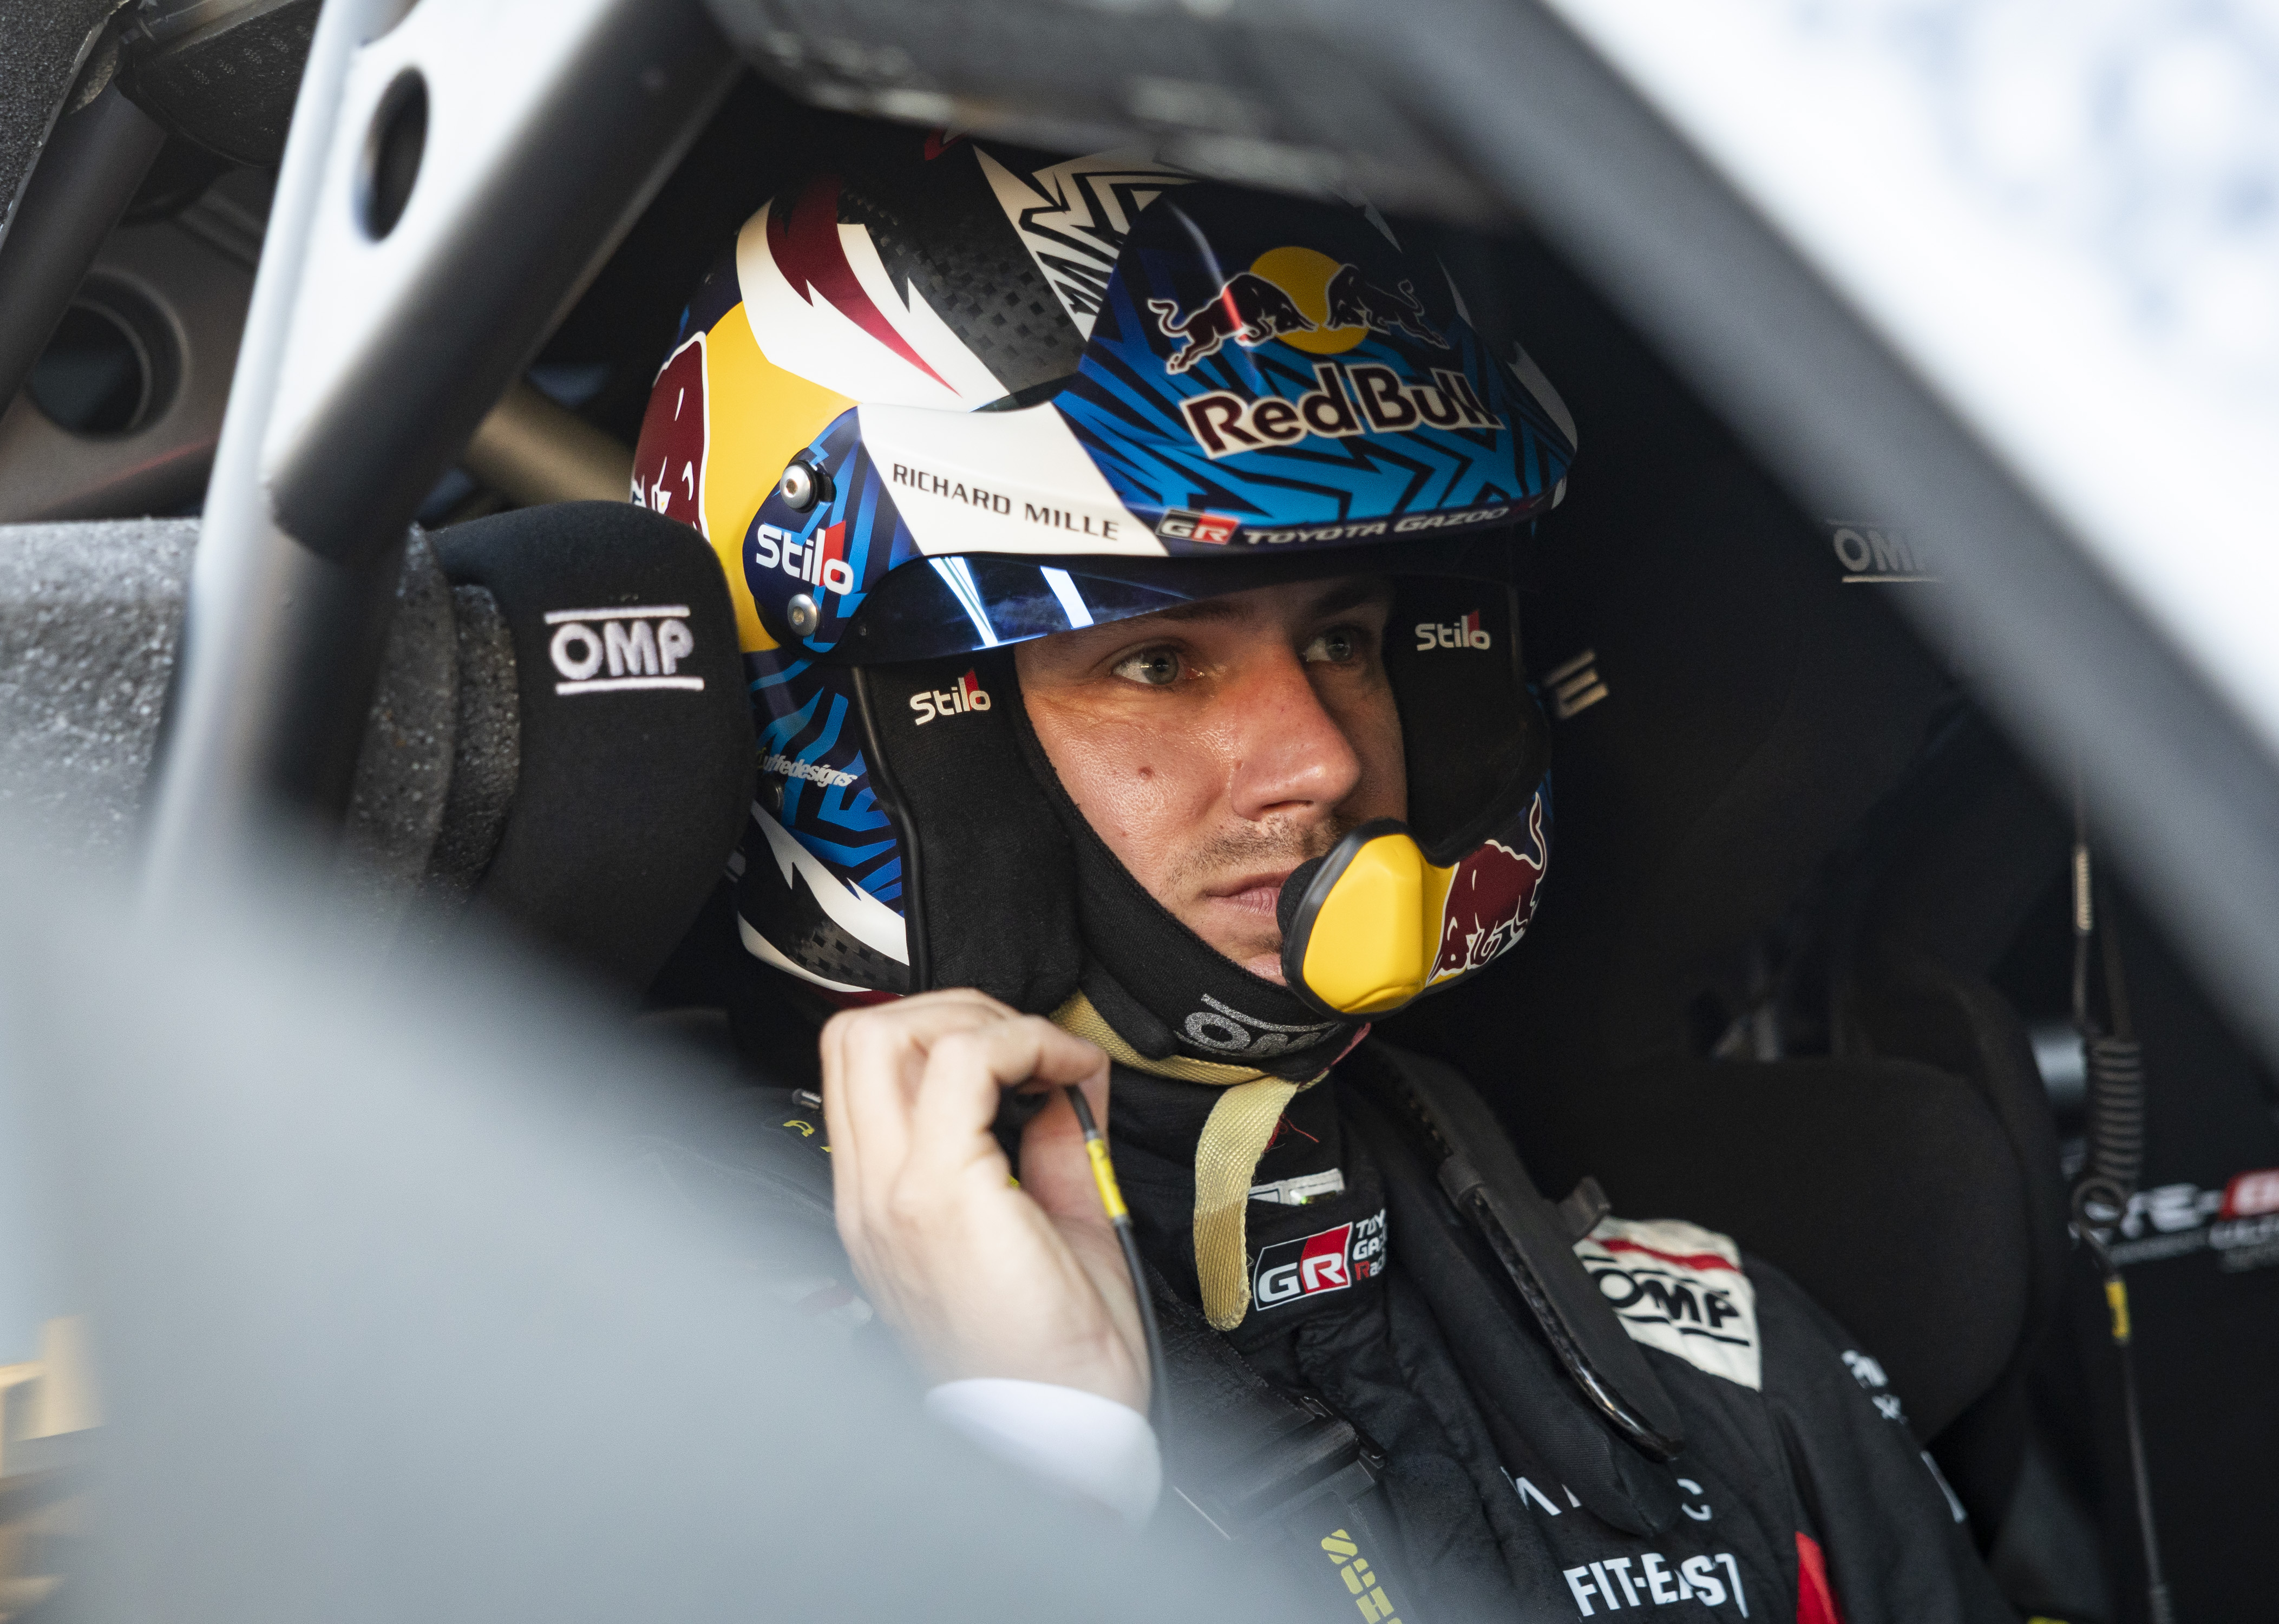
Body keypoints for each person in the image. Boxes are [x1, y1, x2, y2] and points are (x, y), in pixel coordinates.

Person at [630, 128, 2013, 1622]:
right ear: (895, 737)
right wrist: (1037, 1462)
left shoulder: (1712, 1355)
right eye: (1156, 664)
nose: (1324, 759)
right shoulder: (618, 1340)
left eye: (1345, 640)